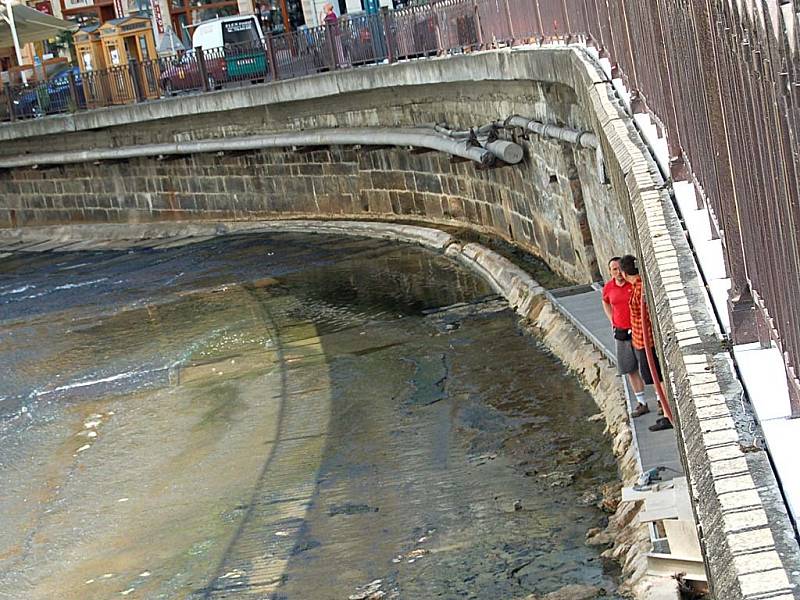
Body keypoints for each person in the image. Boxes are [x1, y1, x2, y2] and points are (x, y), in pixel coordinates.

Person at [619, 255, 669, 428]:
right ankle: (665, 409)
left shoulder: (639, 289)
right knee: (655, 378)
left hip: (646, 341)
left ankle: (668, 412)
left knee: (658, 378)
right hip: (641, 340)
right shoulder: (637, 287)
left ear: (625, 274)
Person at [602, 257, 648, 417]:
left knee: (647, 365)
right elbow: (606, 302)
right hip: (621, 332)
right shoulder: (608, 287)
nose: (617, 272)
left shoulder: (633, 284)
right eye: (613, 269)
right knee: (630, 369)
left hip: (637, 331)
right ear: (610, 272)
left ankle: (658, 399)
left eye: (619, 269)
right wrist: (612, 320)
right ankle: (641, 402)